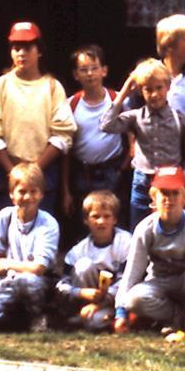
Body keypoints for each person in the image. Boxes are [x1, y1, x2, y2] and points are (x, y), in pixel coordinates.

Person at [114, 166, 185, 340]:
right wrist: (121, 313)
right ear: (154, 198)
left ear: (184, 197)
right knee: (133, 299)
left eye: (175, 193)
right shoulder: (145, 228)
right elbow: (133, 271)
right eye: (164, 193)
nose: (169, 199)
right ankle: (176, 318)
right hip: (160, 282)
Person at [0, 22, 77, 214]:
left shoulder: (52, 87)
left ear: (39, 51)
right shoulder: (1, 85)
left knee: (41, 231)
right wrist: (13, 171)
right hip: (8, 171)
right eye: (16, 48)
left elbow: (63, 134)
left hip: (43, 173)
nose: (22, 53)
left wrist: (35, 170)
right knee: (8, 232)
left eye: (28, 47)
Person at [100, 58, 185, 229]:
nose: (154, 94)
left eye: (159, 88)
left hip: (171, 182)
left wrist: (182, 179)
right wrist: (124, 91)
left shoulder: (180, 119)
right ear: (140, 91)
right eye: (148, 89)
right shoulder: (135, 117)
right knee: (138, 229)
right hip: (142, 182)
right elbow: (106, 124)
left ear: (168, 86)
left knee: (169, 230)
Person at [0, 163, 60, 332]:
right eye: (22, 191)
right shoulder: (5, 217)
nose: (27, 197)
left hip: (40, 283)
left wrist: (7, 264)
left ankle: (40, 315)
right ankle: (18, 318)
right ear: (12, 194)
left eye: (33, 191)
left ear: (41, 194)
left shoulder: (48, 224)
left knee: (26, 280)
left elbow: (38, 268)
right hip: (10, 281)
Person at [62, 45, 124, 240]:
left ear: (104, 70)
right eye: (83, 69)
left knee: (112, 220)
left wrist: (122, 169)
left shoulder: (117, 100)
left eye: (94, 68)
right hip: (82, 173)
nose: (90, 74)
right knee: (87, 222)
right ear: (75, 74)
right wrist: (66, 190)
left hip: (112, 171)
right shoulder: (71, 104)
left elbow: (132, 137)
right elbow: (66, 149)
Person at [55, 190, 131, 332]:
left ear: (114, 219)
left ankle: (114, 317)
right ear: (86, 220)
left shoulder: (126, 242)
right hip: (86, 298)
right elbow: (61, 286)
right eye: (95, 216)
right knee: (84, 265)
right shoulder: (78, 251)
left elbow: (126, 282)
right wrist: (80, 292)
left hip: (115, 301)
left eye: (106, 216)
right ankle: (80, 314)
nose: (101, 221)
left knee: (93, 323)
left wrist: (99, 305)